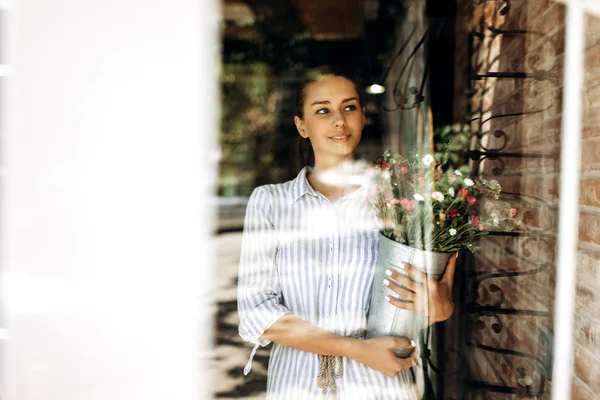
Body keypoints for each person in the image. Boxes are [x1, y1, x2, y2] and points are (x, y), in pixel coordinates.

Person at [237, 69, 457, 399]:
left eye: (349, 107)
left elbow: (416, 306)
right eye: (322, 110)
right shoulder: (270, 202)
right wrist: (355, 349)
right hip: (297, 386)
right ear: (301, 125)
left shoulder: (399, 201)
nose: (339, 120)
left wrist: (440, 307)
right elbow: (257, 313)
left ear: (362, 117)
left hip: (380, 385)